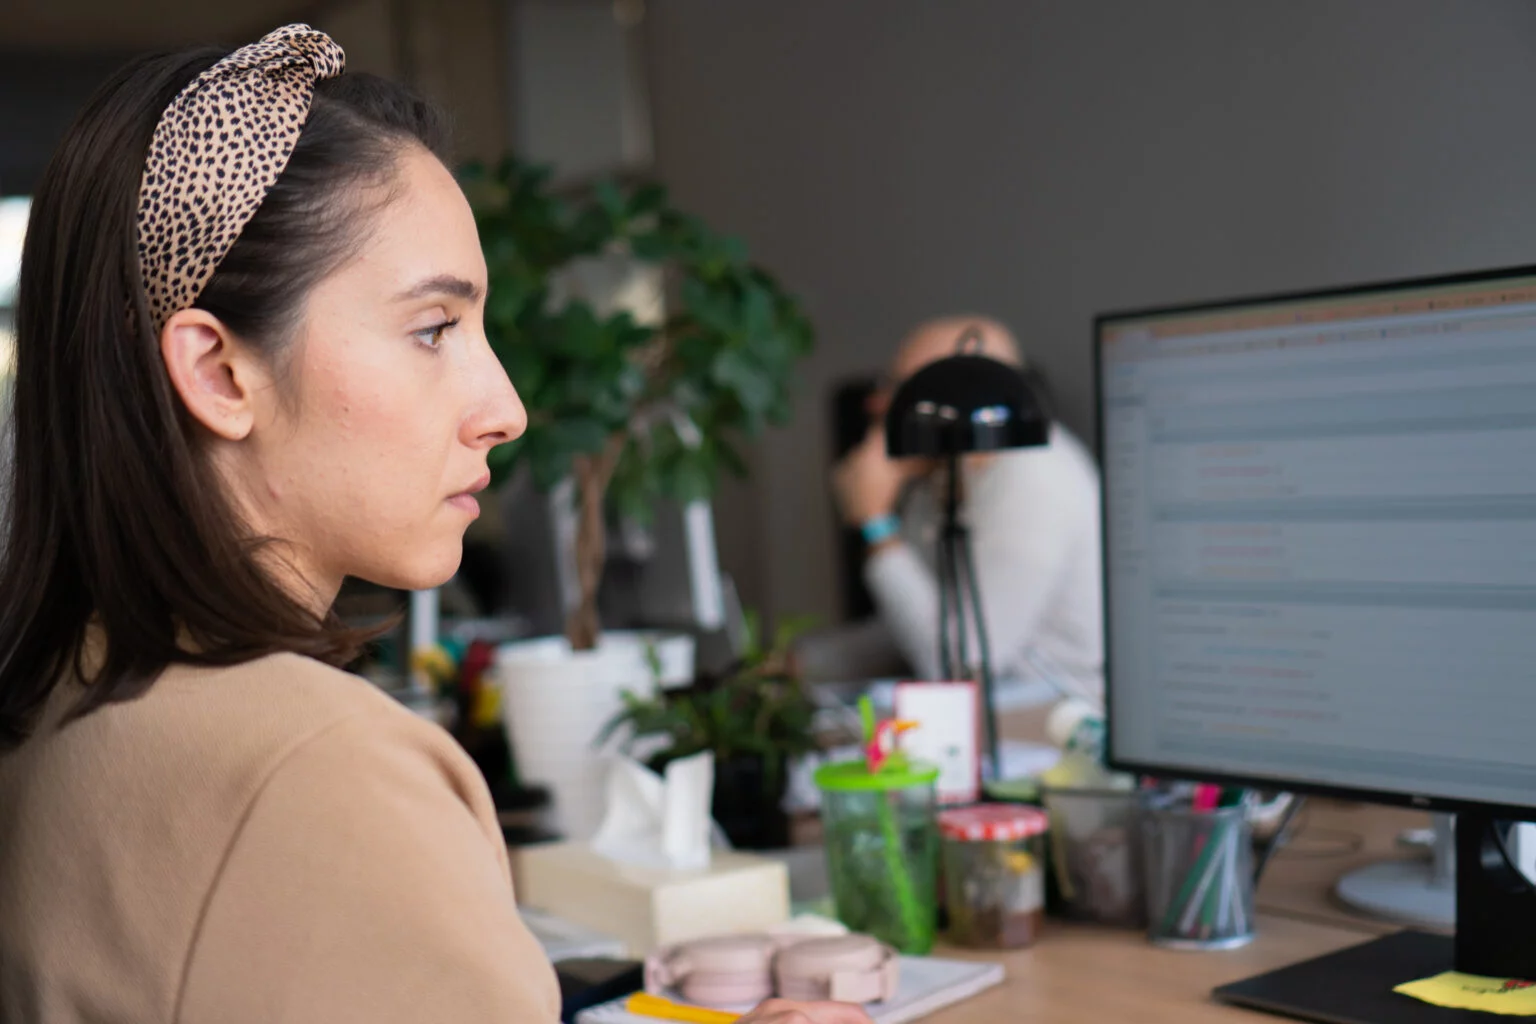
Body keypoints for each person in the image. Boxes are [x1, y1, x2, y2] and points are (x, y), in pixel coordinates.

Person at [0, 26, 869, 1024]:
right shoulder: (325, 768)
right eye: (432, 329)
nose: (505, 408)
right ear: (218, 373)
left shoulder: (59, 692)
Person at [830, 316, 1103, 705]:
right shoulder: (941, 474)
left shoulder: (1036, 476)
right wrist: (808, 660)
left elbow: (960, 661)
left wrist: (877, 526)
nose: (879, 403)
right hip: (1003, 705)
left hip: (1056, 715)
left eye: (901, 387)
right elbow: (924, 621)